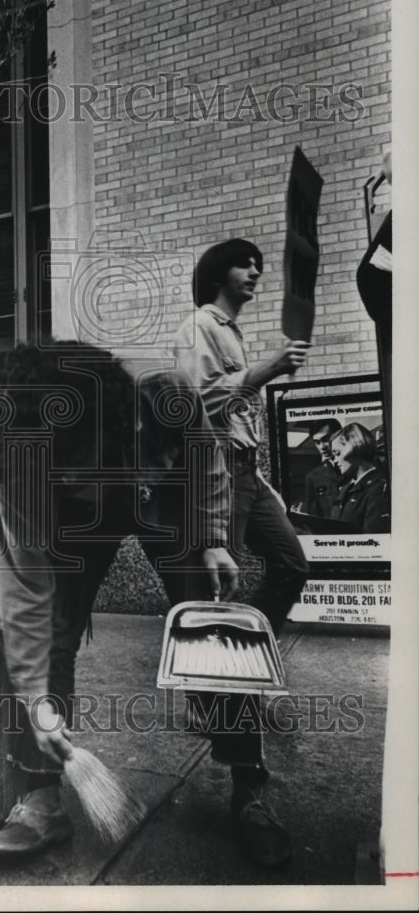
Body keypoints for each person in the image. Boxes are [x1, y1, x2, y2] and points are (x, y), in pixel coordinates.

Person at [0, 342, 249, 860]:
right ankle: (41, 798)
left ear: (114, 421)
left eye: (77, 459)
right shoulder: (25, 459)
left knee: (209, 623)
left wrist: (214, 537)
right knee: (56, 628)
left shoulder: (168, 398)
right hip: (81, 520)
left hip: (166, 495)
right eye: (61, 466)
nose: (71, 474)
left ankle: (249, 784)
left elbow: (210, 461)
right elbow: (23, 593)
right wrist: (36, 698)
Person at [172, 237, 312, 864]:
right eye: (244, 263)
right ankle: (247, 792)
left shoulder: (231, 329)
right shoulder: (201, 324)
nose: (255, 271)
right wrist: (267, 370)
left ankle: (236, 668)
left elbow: (240, 418)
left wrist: (266, 487)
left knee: (291, 563)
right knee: (221, 611)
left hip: (248, 473)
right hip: (217, 472)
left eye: (258, 264)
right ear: (216, 274)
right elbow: (200, 406)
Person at [329, 423, 390, 533]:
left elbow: (373, 541)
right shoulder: (346, 488)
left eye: (338, 454)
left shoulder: (378, 488)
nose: (335, 461)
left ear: (354, 447)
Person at [301, 418, 342, 518]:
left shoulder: (357, 464)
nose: (322, 447)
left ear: (340, 435)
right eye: (317, 442)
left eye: (325, 439)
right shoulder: (313, 477)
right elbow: (313, 518)